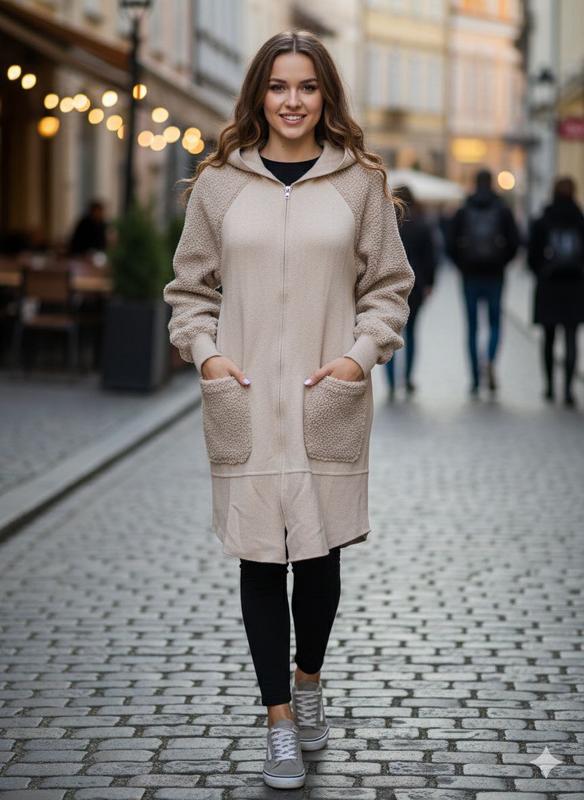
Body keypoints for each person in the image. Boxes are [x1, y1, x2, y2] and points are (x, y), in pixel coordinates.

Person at [163, 29, 415, 790]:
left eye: (307, 86)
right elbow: (188, 290)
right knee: (258, 562)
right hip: (244, 399)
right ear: (259, 95)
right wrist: (206, 353)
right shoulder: (219, 184)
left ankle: (308, 680)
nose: (293, 101)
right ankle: (278, 721)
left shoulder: (359, 182)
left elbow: (389, 287)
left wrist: (359, 356)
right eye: (279, 86)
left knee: (318, 558)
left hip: (324, 397)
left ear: (325, 95)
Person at [446, 169, 520, 396]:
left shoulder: (463, 209)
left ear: (474, 183)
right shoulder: (503, 210)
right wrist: (502, 262)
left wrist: (462, 265)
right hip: (495, 275)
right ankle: (489, 358)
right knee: (495, 323)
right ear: (492, 183)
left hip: (470, 275)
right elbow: (516, 242)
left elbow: (449, 244)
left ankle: (475, 379)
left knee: (472, 327)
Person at [527, 177, 584, 408]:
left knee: (548, 339)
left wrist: (542, 272)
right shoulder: (580, 220)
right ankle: (568, 390)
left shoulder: (543, 220)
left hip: (549, 285)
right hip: (575, 286)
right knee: (571, 338)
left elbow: (531, 256)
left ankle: (550, 386)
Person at [385, 185, 437, 398]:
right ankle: (407, 378)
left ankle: (390, 382)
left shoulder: (387, 223)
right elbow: (431, 257)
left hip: (389, 285)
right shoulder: (422, 224)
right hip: (415, 285)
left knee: (388, 334)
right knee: (412, 333)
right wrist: (430, 283)